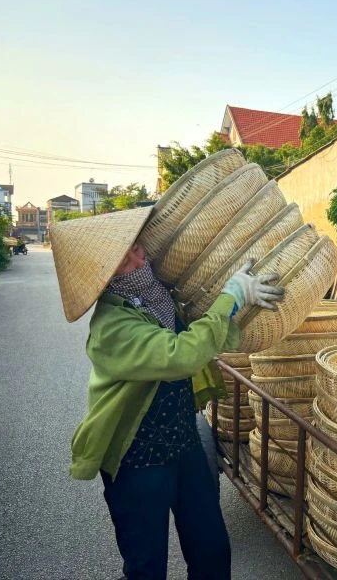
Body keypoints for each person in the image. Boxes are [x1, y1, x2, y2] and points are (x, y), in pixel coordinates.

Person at [49, 207, 284, 580]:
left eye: (136, 248)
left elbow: (203, 330)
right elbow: (183, 354)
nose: (138, 259)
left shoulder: (157, 294)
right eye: (123, 262)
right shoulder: (112, 328)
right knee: (147, 566)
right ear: (104, 280)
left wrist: (240, 303)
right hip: (137, 459)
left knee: (212, 550)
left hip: (182, 439)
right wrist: (231, 299)